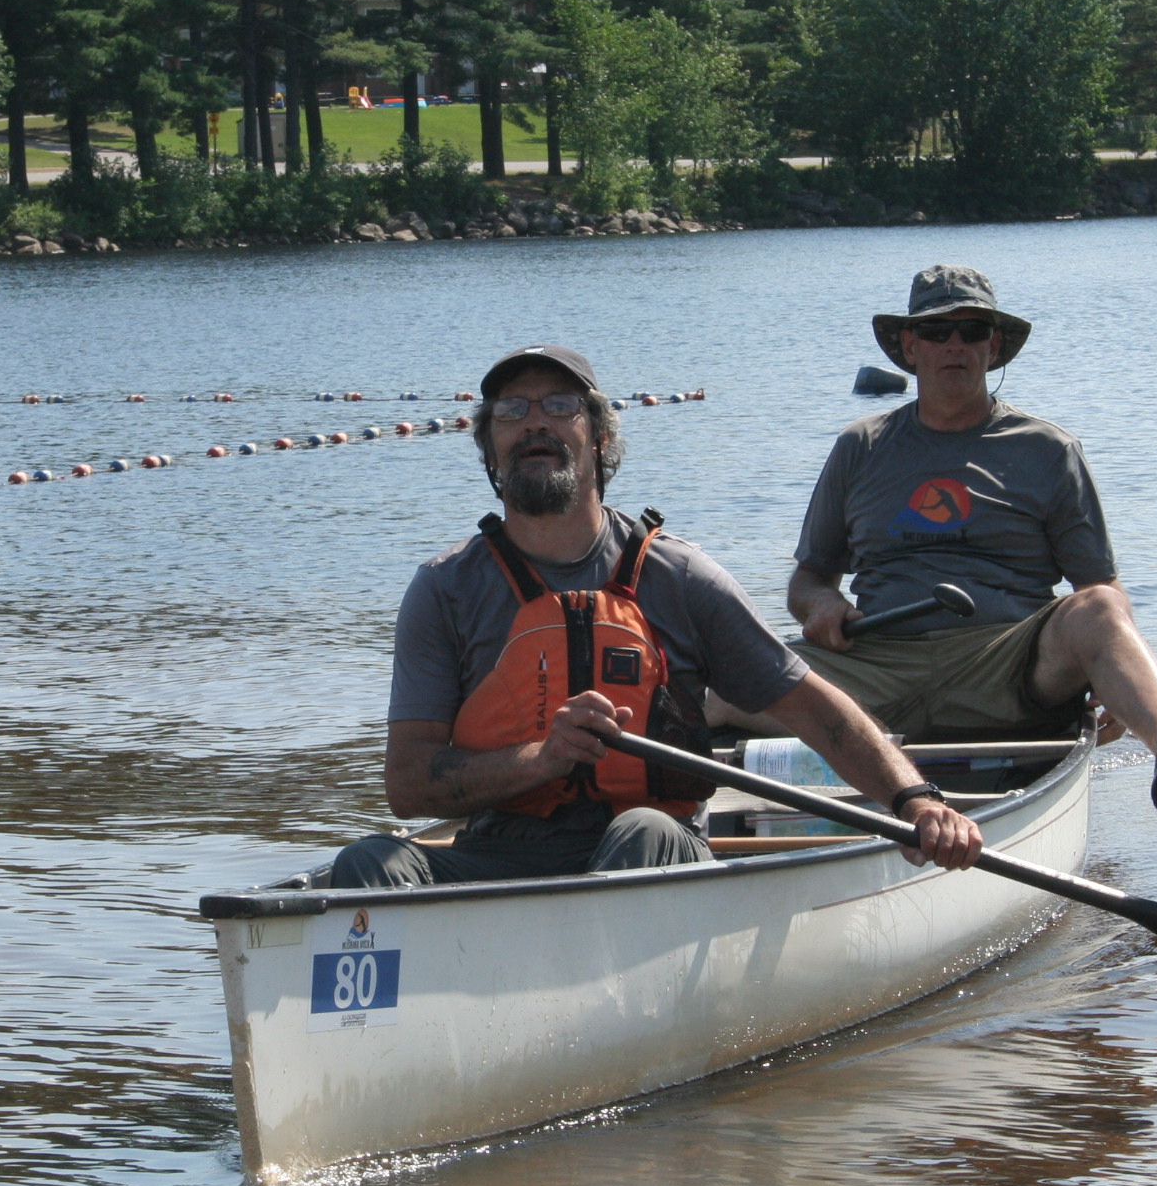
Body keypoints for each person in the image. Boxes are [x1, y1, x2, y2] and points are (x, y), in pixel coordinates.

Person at [331, 344, 983, 890]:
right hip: (501, 852)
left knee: (638, 831)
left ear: (600, 436)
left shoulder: (680, 576)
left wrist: (915, 801)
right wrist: (541, 760)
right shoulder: (445, 588)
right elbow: (409, 786)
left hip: (657, 850)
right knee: (368, 864)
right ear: (489, 445)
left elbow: (816, 712)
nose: (534, 424)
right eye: (511, 411)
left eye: (559, 406)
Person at [709, 265, 1157, 817]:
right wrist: (822, 603)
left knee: (1100, 609)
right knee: (716, 680)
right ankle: (670, 807)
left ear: (993, 348)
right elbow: (809, 578)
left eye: (971, 332)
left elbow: (1101, 589)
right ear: (910, 345)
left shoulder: (1048, 449)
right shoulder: (861, 445)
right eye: (937, 331)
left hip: (1005, 667)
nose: (955, 345)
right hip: (874, 665)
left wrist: (1114, 680)